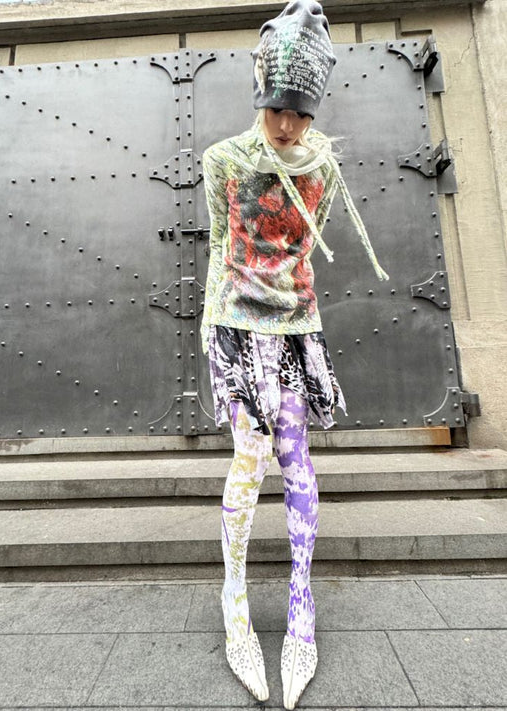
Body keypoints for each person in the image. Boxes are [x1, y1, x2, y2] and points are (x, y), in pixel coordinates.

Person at [200, 1, 389, 708]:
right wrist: (213, 335)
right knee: (249, 456)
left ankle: (300, 600)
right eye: (278, 107)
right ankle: (235, 599)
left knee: (296, 457)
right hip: (235, 326)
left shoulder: (322, 167)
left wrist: (299, 323)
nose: (287, 125)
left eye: (301, 113)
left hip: (295, 328)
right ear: (261, 94)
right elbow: (221, 246)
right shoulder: (222, 159)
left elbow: (303, 250)